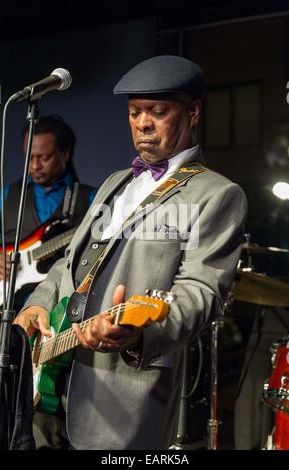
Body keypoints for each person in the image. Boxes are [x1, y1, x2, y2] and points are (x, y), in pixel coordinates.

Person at [15, 55, 247, 450]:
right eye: (135, 112)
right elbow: (69, 263)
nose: (143, 123)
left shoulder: (218, 195)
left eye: (158, 111)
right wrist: (37, 304)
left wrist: (138, 332)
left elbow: (201, 294)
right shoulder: (114, 183)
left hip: (119, 401)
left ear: (192, 113)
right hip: (51, 383)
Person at [0, 114, 96, 283]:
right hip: (7, 301)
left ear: (65, 154)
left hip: (61, 299)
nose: (34, 166)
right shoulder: (2, 197)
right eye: (29, 156)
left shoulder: (92, 199)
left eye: (44, 157)